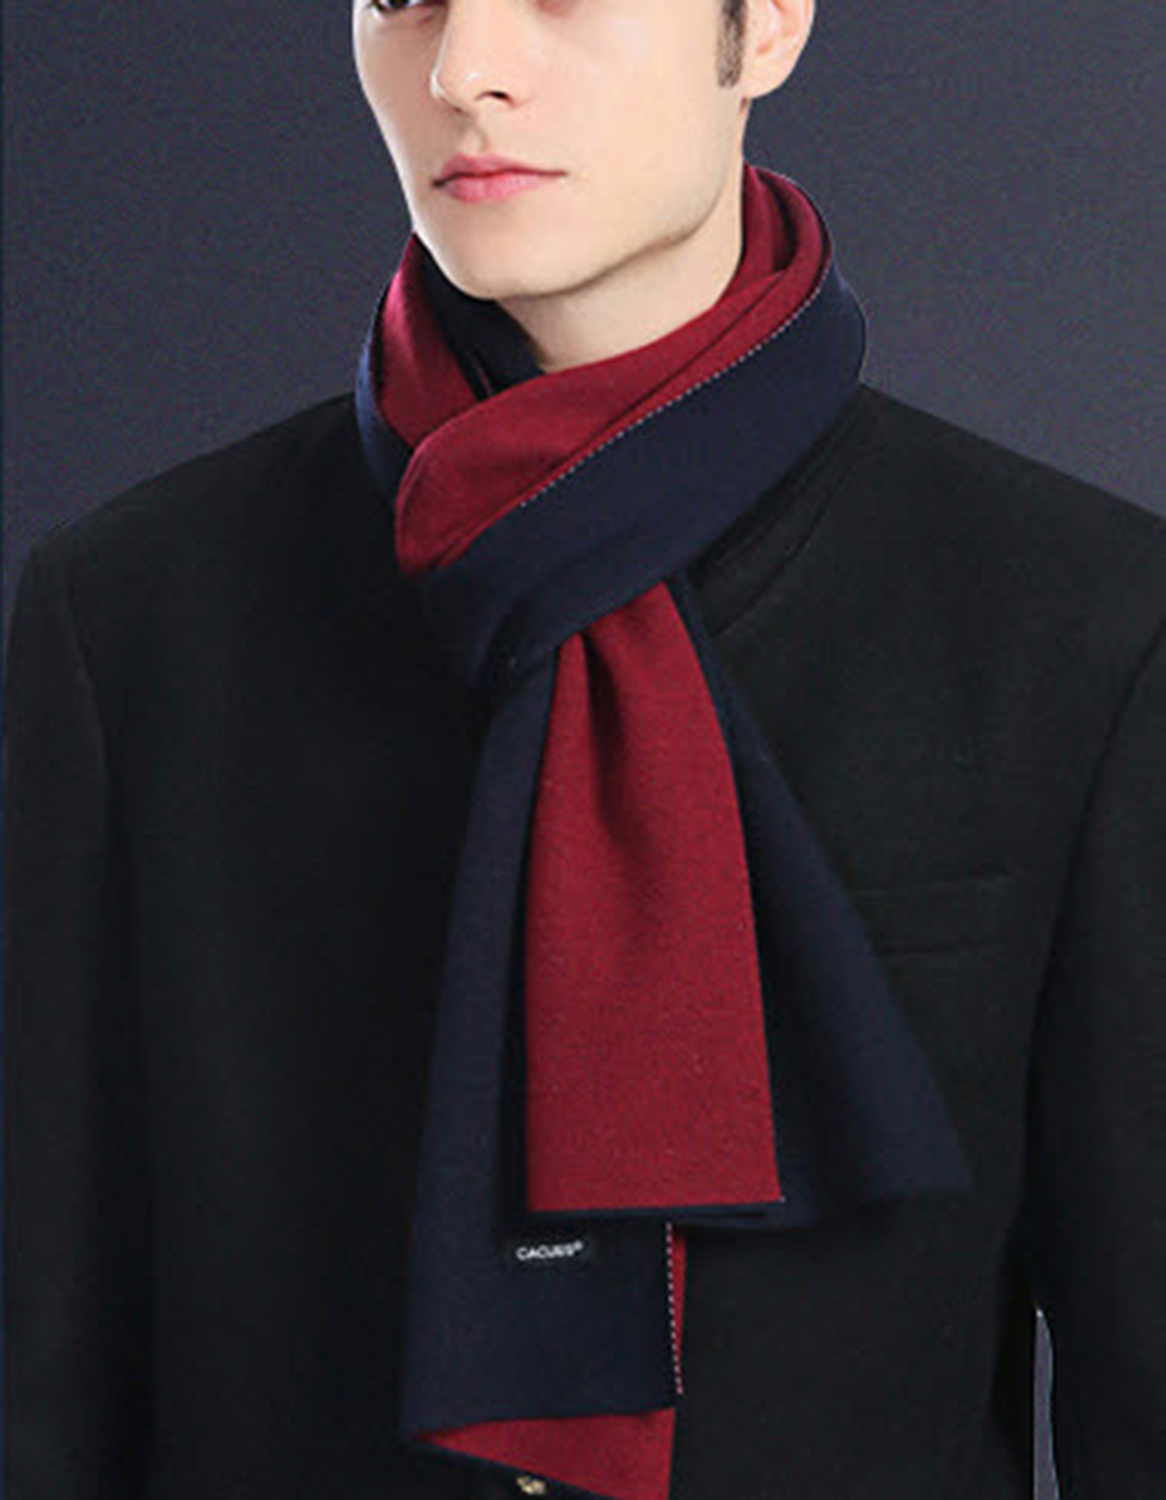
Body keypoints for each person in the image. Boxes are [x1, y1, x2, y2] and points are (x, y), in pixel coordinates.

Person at [4, 0, 1164, 1496]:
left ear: (766, 26)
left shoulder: (1079, 627)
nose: (462, 67)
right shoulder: (133, 619)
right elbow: (47, 1390)